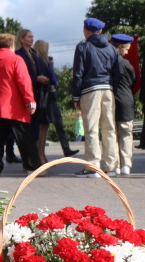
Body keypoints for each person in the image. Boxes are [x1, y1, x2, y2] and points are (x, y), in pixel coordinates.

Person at [72, 17, 121, 177]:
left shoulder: (83, 47)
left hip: (90, 90)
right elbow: (117, 73)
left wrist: (76, 96)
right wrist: (112, 88)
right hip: (108, 89)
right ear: (100, 31)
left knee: (92, 129)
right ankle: (111, 166)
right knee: (109, 128)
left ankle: (93, 167)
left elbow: (78, 73)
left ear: (86, 31)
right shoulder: (112, 49)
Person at [0, 33, 39, 177]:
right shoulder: (16, 59)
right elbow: (23, 81)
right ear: (11, 45)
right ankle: (31, 166)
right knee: (24, 138)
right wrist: (29, 100)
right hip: (13, 107)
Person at [15, 29, 50, 166]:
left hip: (37, 94)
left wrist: (44, 79)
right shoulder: (18, 55)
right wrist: (36, 78)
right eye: (29, 37)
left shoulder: (34, 54)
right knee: (28, 129)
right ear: (21, 39)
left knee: (36, 128)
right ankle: (30, 160)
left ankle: (36, 158)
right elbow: (20, 76)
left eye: (32, 37)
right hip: (25, 96)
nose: (32, 39)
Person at [111, 34, 137, 175]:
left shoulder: (107, 63)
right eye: (126, 49)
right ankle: (126, 165)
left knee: (112, 134)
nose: (127, 52)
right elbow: (133, 80)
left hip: (110, 101)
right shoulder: (126, 64)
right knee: (126, 134)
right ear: (120, 47)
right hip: (126, 101)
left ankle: (115, 165)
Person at [46, 55, 79, 157]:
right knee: (44, 128)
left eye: (53, 63)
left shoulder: (54, 74)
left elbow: (57, 86)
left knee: (60, 126)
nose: (52, 65)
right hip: (46, 102)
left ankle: (66, 149)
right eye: (50, 64)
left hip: (54, 101)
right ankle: (40, 153)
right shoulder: (45, 72)